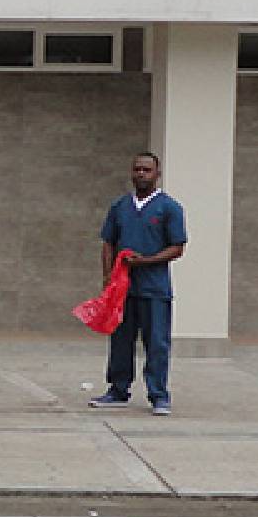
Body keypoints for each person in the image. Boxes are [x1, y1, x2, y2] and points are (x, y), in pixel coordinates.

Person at [89, 152, 186, 415]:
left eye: (147, 170)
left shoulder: (169, 207)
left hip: (154, 289)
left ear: (157, 174)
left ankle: (159, 395)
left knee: (156, 343)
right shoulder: (120, 207)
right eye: (137, 169)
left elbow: (177, 247)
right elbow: (108, 242)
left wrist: (146, 261)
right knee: (121, 340)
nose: (141, 174)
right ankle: (118, 390)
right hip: (123, 288)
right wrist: (108, 278)